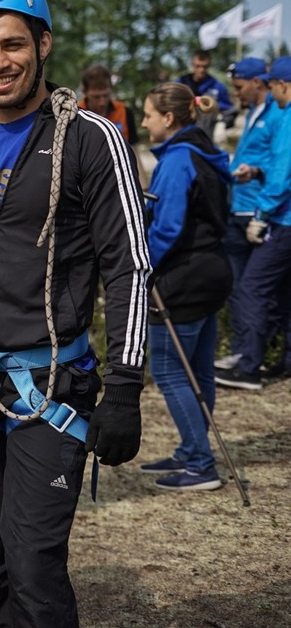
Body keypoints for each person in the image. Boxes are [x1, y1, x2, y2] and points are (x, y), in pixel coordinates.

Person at [0, 0, 151, 627]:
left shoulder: (88, 138)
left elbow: (129, 266)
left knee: (32, 560)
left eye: (12, 44)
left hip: (49, 387)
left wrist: (126, 388)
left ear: (43, 43)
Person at [137, 83, 232, 490]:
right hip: (212, 271)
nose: (143, 122)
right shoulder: (202, 152)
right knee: (198, 370)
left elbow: (170, 228)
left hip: (183, 280)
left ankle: (199, 463)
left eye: (148, 115)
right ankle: (191, 449)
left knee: (168, 370)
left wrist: (141, 266)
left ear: (169, 119)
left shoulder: (177, 160)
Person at [215, 56, 291, 390]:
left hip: (272, 214)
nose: (274, 93)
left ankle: (249, 364)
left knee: (252, 287)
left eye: (275, 86)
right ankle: (275, 359)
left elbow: (282, 169)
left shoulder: (284, 115)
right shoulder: (269, 112)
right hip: (266, 210)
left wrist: (261, 214)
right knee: (277, 290)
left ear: (278, 84)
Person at [177, 49, 235, 137]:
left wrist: (222, 124)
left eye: (205, 66)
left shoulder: (217, 87)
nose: (201, 70)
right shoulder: (180, 83)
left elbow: (229, 111)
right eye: (198, 66)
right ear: (192, 65)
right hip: (181, 135)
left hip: (205, 137)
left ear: (209, 65)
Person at [78, 64, 138, 143]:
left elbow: (133, 148)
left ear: (111, 88)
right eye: (96, 97)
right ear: (84, 92)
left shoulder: (125, 112)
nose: (102, 102)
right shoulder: (76, 116)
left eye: (106, 95)